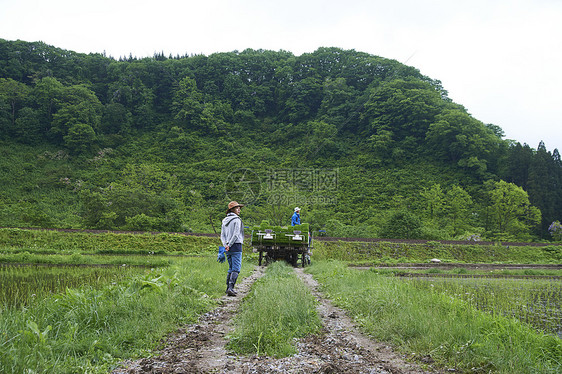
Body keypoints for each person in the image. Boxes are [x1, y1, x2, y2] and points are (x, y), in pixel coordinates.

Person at [221, 201, 244, 296]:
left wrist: (225, 245)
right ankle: (231, 288)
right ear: (232, 210)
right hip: (236, 245)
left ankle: (227, 288)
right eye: (237, 208)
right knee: (236, 268)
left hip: (227, 247)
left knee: (230, 268)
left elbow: (222, 235)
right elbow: (236, 234)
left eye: (239, 208)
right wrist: (230, 245)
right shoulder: (237, 220)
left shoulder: (224, 220)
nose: (239, 210)